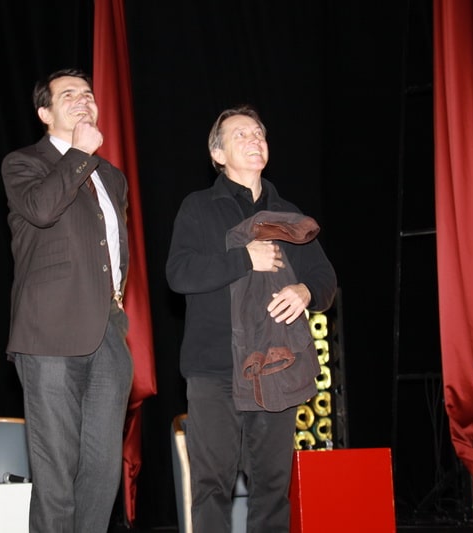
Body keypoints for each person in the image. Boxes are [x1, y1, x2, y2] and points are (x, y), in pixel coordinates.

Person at [166, 105, 337, 532]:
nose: (254, 139)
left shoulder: (288, 213)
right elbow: (179, 274)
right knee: (211, 486)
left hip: (275, 366)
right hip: (215, 369)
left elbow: (325, 279)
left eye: (259, 133)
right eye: (240, 134)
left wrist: (305, 291)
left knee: (272, 489)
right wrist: (244, 258)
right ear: (217, 154)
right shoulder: (198, 207)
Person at [1, 67, 133, 533]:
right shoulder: (24, 163)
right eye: (69, 95)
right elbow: (41, 209)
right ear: (45, 113)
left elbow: (113, 250)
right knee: (56, 469)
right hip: (49, 333)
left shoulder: (111, 176)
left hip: (108, 334)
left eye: (89, 94)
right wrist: (78, 152)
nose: (84, 100)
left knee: (102, 471)